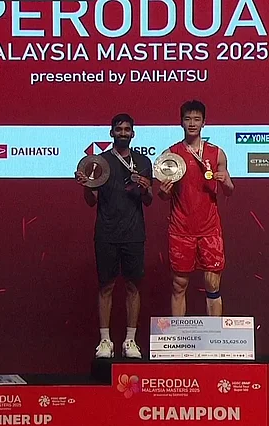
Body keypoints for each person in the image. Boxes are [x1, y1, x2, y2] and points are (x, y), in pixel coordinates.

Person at [75, 113, 153, 358]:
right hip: (106, 233)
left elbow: (149, 200)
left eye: (127, 129)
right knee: (106, 286)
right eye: (118, 129)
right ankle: (105, 341)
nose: (122, 133)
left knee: (132, 286)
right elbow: (91, 202)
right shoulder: (100, 162)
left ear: (133, 134)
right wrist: (86, 186)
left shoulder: (143, 162)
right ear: (111, 133)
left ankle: (130, 341)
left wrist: (145, 188)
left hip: (134, 233)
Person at [158, 100, 234, 317]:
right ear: (181, 122)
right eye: (187, 119)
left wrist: (226, 181)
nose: (192, 123)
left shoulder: (217, 153)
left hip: (209, 229)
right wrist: (164, 189)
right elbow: (163, 196)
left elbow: (229, 190)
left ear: (204, 123)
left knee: (212, 282)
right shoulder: (171, 154)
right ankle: (178, 339)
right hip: (181, 229)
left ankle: (215, 338)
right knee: (179, 284)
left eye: (196, 119)